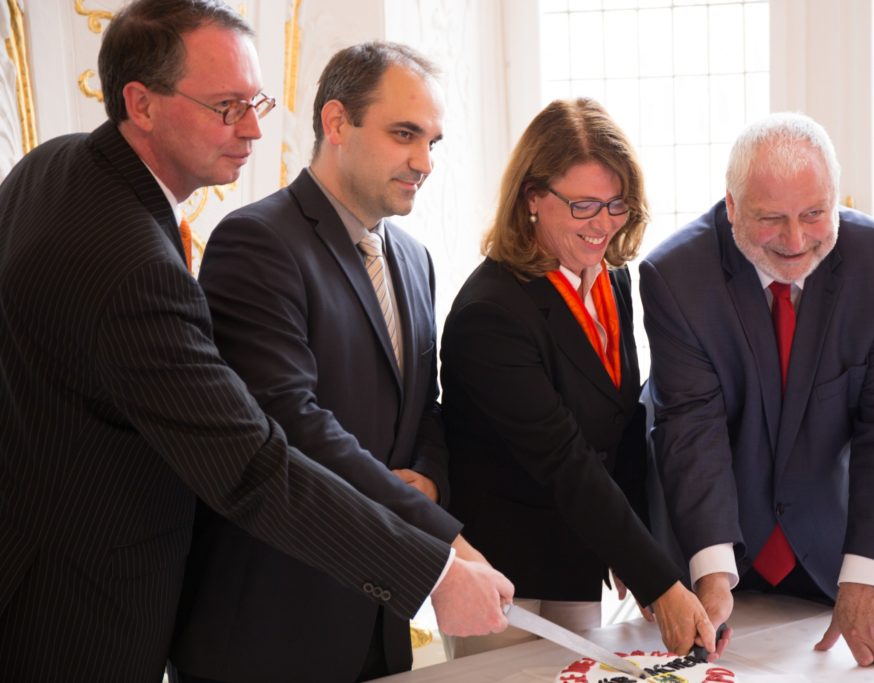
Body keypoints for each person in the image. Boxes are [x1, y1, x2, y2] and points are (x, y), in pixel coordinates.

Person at [0, 2, 511, 681]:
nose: (253, 127)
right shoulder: (138, 265)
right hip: (79, 602)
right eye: (227, 106)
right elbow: (250, 462)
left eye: (256, 100)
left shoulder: (57, 164)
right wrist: (430, 569)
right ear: (141, 104)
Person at [169, 42, 478, 683]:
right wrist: (435, 532)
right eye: (404, 135)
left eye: (433, 142)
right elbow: (290, 421)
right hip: (273, 626)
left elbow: (425, 408)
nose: (424, 162)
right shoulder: (256, 241)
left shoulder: (415, 259)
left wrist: (428, 475)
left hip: (380, 617)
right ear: (336, 123)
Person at [640, 112, 874, 668]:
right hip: (715, 547)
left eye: (815, 214)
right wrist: (714, 574)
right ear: (731, 207)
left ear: (836, 199)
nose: (797, 241)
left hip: (829, 554)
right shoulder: (676, 276)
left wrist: (867, 577)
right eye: (771, 219)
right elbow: (690, 426)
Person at [440, 98, 721, 659]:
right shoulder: (490, 312)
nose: (604, 224)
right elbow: (564, 457)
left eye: (617, 204)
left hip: (578, 552)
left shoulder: (610, 280)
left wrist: (633, 549)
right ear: (533, 199)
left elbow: (624, 422)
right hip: (504, 574)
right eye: (585, 205)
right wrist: (658, 580)